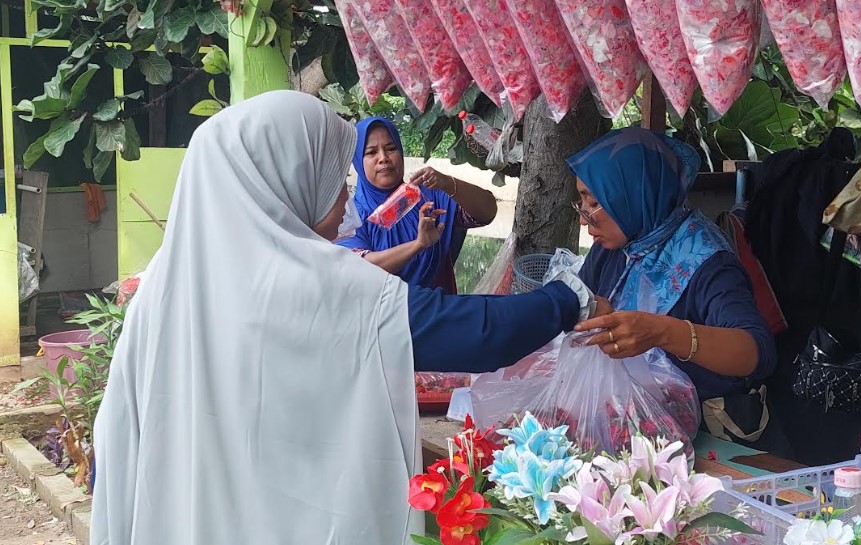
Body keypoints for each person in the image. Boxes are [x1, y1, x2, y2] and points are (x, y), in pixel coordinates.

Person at [89, 91, 604, 545]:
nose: (345, 197)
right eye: (336, 176)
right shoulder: (313, 285)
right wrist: (567, 298)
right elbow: (474, 333)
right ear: (287, 178)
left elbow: (116, 442)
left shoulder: (160, 288)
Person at [569, 128, 784, 452]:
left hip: (703, 438)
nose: (585, 220)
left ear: (634, 193)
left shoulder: (708, 262)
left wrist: (663, 332)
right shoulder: (616, 248)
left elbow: (757, 352)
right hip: (625, 428)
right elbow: (580, 303)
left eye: (595, 202)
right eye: (582, 201)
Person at [338, 117, 498, 294]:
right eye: (371, 152)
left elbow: (487, 212)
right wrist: (418, 245)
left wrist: (448, 183)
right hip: (385, 316)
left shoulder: (428, 196)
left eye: (391, 148)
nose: (383, 158)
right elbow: (359, 268)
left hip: (439, 311)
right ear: (357, 161)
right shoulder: (349, 215)